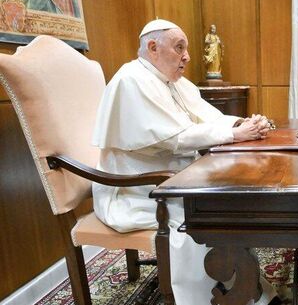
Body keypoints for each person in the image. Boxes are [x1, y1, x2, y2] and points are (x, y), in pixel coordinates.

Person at [92, 19, 280, 305]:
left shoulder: (173, 82)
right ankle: (208, 297)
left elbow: (207, 116)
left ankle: (244, 286)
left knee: (229, 201)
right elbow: (173, 139)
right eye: (179, 47)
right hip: (139, 188)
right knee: (201, 214)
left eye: (186, 48)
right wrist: (233, 134)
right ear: (153, 47)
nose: (187, 56)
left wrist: (242, 123)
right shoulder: (131, 80)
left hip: (175, 177)